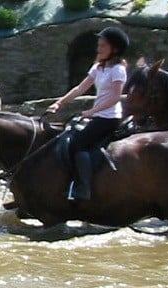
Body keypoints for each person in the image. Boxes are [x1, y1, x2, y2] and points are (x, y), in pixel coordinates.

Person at [45, 26, 129, 201]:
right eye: (99, 45)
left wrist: (92, 111)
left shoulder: (118, 70)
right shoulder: (98, 68)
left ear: (115, 49)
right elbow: (80, 88)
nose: (99, 49)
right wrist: (59, 103)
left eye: (103, 46)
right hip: (98, 115)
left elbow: (115, 97)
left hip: (110, 118)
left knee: (79, 143)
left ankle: (84, 188)